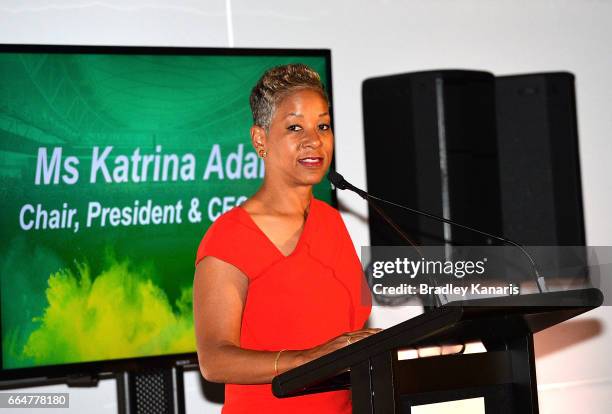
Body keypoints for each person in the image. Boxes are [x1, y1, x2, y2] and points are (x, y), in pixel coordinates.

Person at [192, 63, 381, 413]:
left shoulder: (331, 222)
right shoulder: (230, 236)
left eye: (322, 125)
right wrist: (308, 359)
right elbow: (214, 360)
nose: (314, 140)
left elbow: (348, 341)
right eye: (295, 127)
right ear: (260, 140)